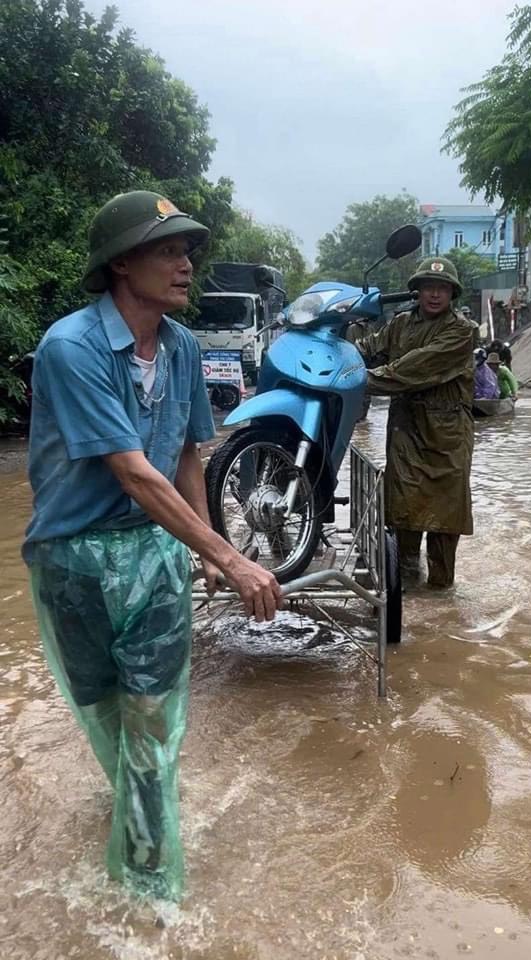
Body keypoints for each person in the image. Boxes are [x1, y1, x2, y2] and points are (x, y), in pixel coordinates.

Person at [23, 190, 282, 901]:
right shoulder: (70, 348)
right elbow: (133, 471)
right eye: (168, 251)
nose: (185, 265)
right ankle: (141, 813)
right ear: (121, 263)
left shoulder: (183, 346)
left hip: (151, 552)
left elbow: (186, 457)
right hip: (71, 556)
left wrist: (203, 548)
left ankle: (148, 891)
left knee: (151, 717)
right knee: (104, 708)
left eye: (186, 252)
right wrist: (232, 559)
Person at [354, 256, 474, 588]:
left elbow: (416, 368)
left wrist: (359, 378)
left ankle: (440, 598)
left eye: (442, 288)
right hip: (406, 430)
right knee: (403, 514)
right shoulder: (400, 325)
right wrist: (337, 347)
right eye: (428, 288)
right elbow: (367, 348)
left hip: (447, 438)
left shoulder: (462, 331)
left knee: (445, 524)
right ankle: (404, 588)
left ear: (452, 294)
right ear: (417, 292)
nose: (435, 295)